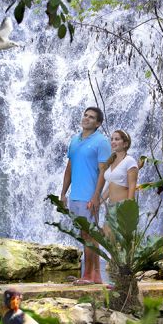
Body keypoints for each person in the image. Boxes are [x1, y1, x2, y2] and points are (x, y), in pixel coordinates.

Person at [60, 106, 111, 284]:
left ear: (98, 123)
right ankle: (92, 275)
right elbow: (69, 168)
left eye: (91, 117)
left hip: (89, 195)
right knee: (85, 234)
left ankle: (90, 276)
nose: (86, 119)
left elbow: (103, 171)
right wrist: (63, 193)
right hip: (75, 195)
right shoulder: (75, 140)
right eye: (85, 115)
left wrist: (96, 196)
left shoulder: (101, 142)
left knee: (90, 235)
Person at [101, 130, 139, 219]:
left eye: (117, 139)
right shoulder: (111, 161)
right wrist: (99, 202)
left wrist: (129, 209)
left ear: (125, 144)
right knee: (106, 232)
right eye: (112, 139)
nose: (113, 141)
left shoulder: (129, 161)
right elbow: (111, 187)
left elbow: (132, 187)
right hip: (110, 207)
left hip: (122, 207)